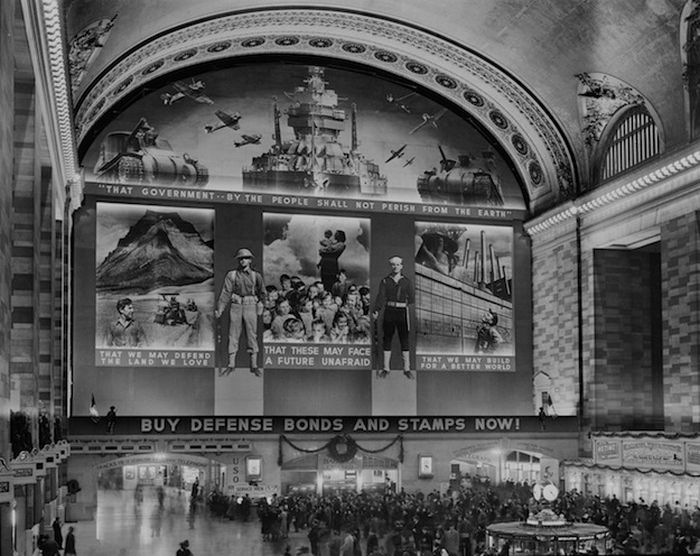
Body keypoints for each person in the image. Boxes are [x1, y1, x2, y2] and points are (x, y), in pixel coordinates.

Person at [215, 248, 265, 376]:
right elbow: (225, 292)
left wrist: (261, 304)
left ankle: (254, 365)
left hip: (250, 306)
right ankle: (231, 364)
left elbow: (263, 293)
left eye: (246, 258)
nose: (243, 261)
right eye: (241, 258)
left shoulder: (256, 276)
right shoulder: (231, 275)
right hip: (236, 305)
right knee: (233, 334)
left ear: (250, 260)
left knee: (252, 334)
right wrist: (220, 309)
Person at [373, 256, 415, 378]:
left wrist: (403, 303)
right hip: (389, 312)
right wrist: (376, 310)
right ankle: (386, 369)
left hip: (402, 312)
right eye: (393, 265)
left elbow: (411, 298)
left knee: (404, 339)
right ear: (390, 266)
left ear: (401, 266)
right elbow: (381, 297)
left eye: (398, 265)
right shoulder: (385, 281)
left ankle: (407, 369)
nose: (395, 267)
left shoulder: (407, 282)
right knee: (387, 339)